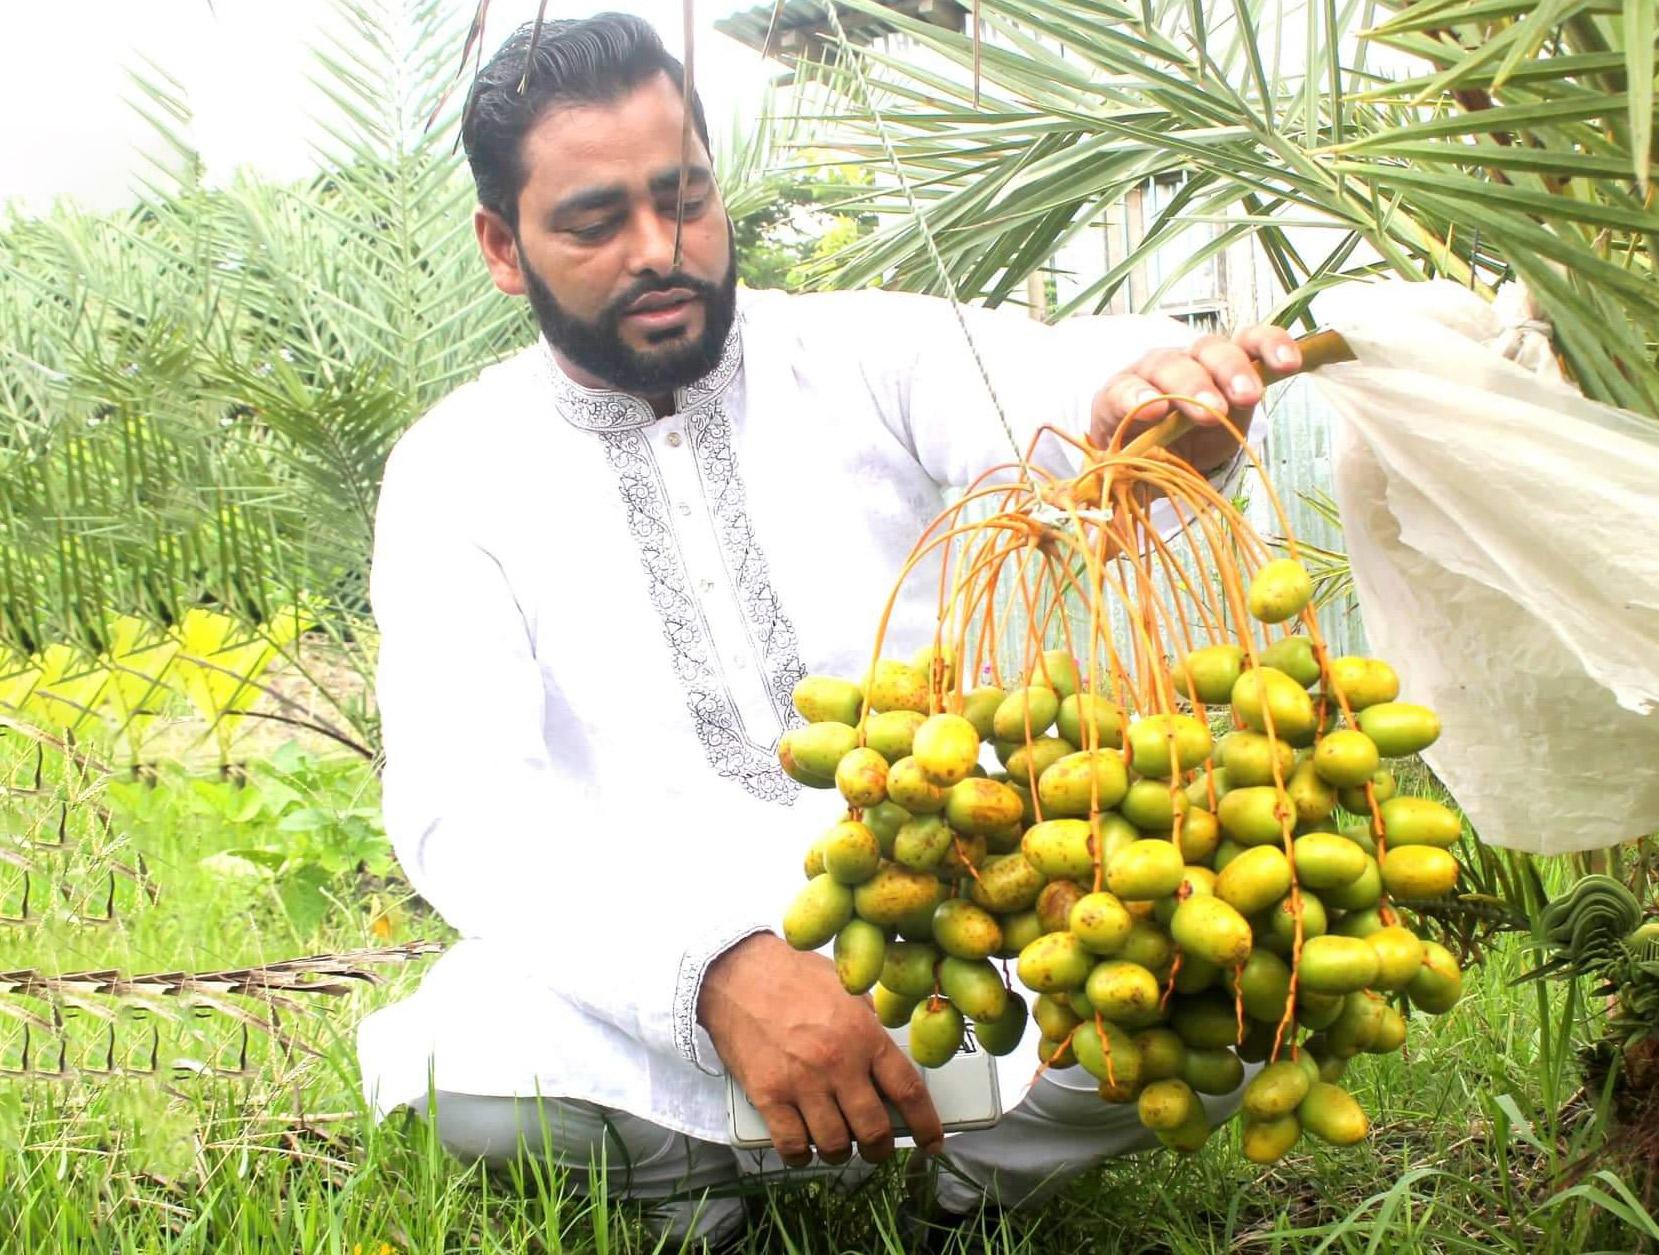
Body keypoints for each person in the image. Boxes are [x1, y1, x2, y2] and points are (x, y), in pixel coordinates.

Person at [354, 13, 1301, 1251]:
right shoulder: (454, 470)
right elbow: (465, 808)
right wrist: (713, 976)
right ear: (501, 245)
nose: (661, 250)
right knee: (464, 1074)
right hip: (662, 960)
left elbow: (1060, 393)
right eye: (595, 223)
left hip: (957, 920)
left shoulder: (866, 353)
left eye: (684, 197)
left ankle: (969, 1196)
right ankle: (699, 1200)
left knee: (1212, 988)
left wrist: (1148, 396)